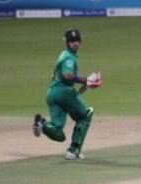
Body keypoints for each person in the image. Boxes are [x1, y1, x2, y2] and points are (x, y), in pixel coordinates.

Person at [32, 29, 101, 160]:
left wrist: (86, 85)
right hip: (63, 92)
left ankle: (42, 124)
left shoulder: (64, 54)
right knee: (85, 115)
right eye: (72, 41)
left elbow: (69, 82)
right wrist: (85, 80)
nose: (75, 44)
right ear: (67, 43)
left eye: (77, 41)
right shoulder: (69, 57)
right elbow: (67, 75)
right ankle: (73, 151)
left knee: (58, 132)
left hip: (52, 93)